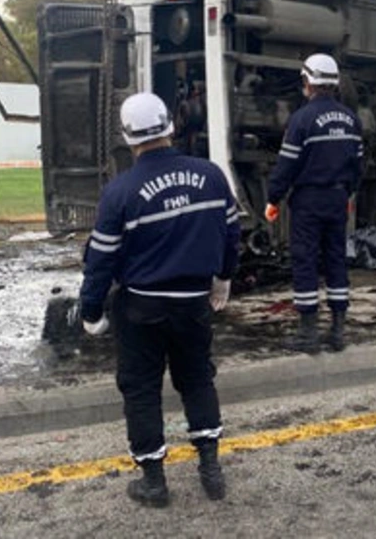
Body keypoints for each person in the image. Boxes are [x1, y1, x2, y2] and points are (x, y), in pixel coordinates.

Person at [77, 92, 239, 509]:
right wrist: (223, 277)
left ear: (128, 137)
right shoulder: (212, 175)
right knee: (198, 378)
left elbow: (100, 260)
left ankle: (154, 482)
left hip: (141, 308)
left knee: (142, 389)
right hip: (193, 303)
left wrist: (91, 310)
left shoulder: (120, 192)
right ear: (170, 126)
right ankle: (211, 469)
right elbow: (231, 233)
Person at [265, 54, 363, 354]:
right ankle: (337, 330)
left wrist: (273, 198)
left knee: (305, 259)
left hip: (308, 199)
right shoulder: (351, 119)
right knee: (336, 258)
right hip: (337, 198)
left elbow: (287, 164)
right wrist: (348, 195)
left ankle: (308, 331)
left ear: (307, 82)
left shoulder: (302, 120)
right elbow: (358, 166)